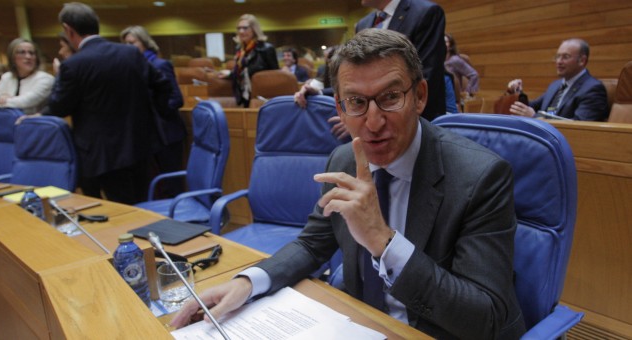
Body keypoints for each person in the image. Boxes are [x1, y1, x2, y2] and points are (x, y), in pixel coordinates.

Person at [171, 29, 526, 339]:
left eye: (389, 98)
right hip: (360, 324)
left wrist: (383, 242)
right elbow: (313, 244)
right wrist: (247, 283)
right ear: (339, 109)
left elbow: (487, 319)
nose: (372, 123)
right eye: (356, 102)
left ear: (419, 96)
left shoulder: (480, 177)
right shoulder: (343, 159)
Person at [48, 2, 171, 204]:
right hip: (139, 147)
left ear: (68, 30)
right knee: (141, 208)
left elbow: (58, 108)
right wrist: (151, 120)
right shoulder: (130, 54)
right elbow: (163, 86)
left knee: (114, 215)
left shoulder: (73, 65)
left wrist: (58, 78)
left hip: (101, 157)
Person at [121, 25, 187, 198]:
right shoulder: (131, 69)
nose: (129, 47)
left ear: (144, 42)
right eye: (125, 44)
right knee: (154, 184)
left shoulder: (160, 65)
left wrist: (155, 111)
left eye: (132, 43)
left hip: (167, 134)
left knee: (172, 183)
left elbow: (176, 99)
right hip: (147, 136)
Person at [356, 0, 446, 121]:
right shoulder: (363, 24)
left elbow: (427, 73)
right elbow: (357, 76)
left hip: (415, 120)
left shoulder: (425, 12)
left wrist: (374, 114)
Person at [507, 38, 608, 121]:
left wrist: (535, 117)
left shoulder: (593, 89)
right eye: (558, 56)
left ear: (582, 60)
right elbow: (531, 107)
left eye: (565, 57)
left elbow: (580, 126)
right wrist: (517, 92)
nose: (559, 62)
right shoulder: (556, 85)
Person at [0, 38, 54, 115]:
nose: (28, 56)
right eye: (22, 52)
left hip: (33, 123)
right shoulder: (7, 77)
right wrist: (2, 100)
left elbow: (26, 102)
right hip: (8, 123)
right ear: (12, 57)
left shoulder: (45, 79)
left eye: (32, 53)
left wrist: (4, 100)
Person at [222, 14, 278, 107]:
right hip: (244, 94)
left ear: (254, 29)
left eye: (245, 28)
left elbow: (275, 76)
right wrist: (230, 74)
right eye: (239, 28)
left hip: (263, 96)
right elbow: (243, 71)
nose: (241, 31)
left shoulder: (266, 49)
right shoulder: (240, 49)